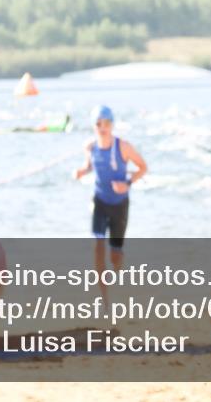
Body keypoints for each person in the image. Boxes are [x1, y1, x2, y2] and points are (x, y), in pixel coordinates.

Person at [73, 105, 147, 296]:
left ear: (112, 125)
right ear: (94, 126)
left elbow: (143, 167)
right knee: (97, 246)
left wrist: (128, 183)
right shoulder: (90, 146)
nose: (102, 127)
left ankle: (117, 275)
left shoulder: (123, 146)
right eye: (98, 123)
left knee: (115, 255)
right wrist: (82, 171)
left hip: (119, 204)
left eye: (106, 123)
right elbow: (90, 165)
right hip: (100, 201)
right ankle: (104, 299)